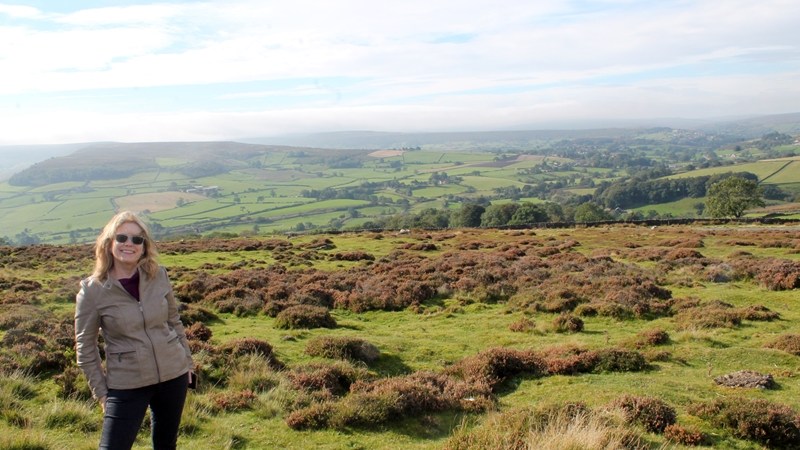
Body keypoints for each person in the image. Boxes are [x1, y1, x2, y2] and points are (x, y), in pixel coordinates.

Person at [75, 211, 194, 450]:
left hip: (173, 375)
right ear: (109, 243)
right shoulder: (93, 290)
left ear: (144, 247)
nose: (129, 244)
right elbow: (85, 348)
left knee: (165, 445)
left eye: (137, 239)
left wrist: (188, 364)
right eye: (122, 238)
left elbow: (174, 322)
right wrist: (101, 393)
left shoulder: (158, 276)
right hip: (127, 382)